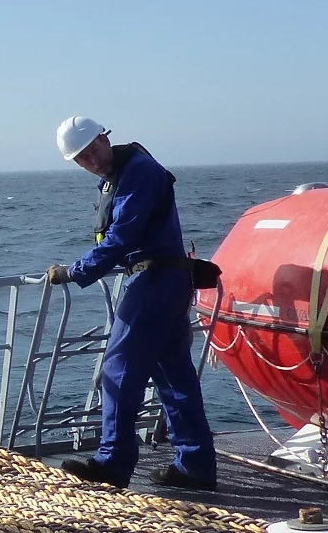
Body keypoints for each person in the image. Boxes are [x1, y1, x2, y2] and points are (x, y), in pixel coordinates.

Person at [48, 116, 217, 489]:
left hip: (155, 281)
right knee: (174, 376)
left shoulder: (138, 172)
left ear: (105, 139)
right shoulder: (122, 175)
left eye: (93, 149)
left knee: (118, 370)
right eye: (81, 158)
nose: (91, 160)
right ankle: (196, 465)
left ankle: (113, 461)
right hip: (166, 280)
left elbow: (123, 235)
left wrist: (74, 271)